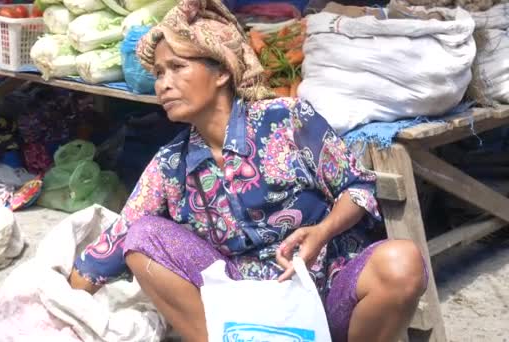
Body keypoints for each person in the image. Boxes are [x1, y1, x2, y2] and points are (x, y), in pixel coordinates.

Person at [69, 0, 428, 340]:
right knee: (143, 238)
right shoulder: (170, 163)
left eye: (178, 67)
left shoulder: (289, 120)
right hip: (242, 309)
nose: (163, 83)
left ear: (222, 71)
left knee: (402, 262)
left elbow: (358, 188)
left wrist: (321, 231)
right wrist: (62, 300)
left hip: (322, 289)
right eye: (159, 73)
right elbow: (120, 236)